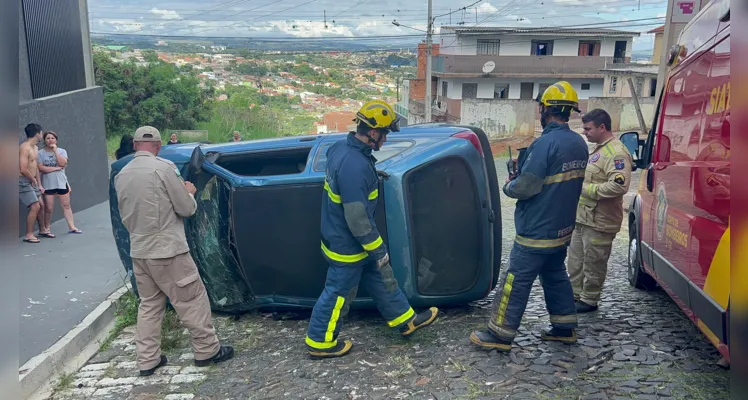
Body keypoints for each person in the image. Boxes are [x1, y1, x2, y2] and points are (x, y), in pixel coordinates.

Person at [305, 100, 438, 359]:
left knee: (380, 279)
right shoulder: (355, 166)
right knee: (338, 293)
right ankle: (320, 341)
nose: (386, 139)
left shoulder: (341, 148)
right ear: (374, 132)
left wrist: (374, 175)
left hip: (342, 238)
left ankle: (405, 320)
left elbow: (351, 180)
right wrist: (377, 249)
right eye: (385, 133)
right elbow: (356, 217)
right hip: (348, 245)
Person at [470, 81, 589, 351]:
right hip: (562, 228)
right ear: (570, 111)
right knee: (555, 273)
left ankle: (500, 334)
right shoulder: (578, 143)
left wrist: (509, 184)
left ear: (545, 109)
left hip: (537, 229)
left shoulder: (545, 143)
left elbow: (527, 187)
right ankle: (564, 327)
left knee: (516, 278)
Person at [115, 126, 233, 376]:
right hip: (168, 250)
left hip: (140, 250)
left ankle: (147, 360)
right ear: (158, 146)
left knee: (149, 305)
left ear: (135, 145)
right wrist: (190, 192)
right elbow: (186, 209)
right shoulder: (164, 168)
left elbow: (124, 214)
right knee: (191, 299)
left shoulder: (122, 174)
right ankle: (207, 350)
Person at [567, 109, 632, 313]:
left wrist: (585, 190)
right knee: (575, 261)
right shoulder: (598, 150)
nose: (584, 132)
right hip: (583, 218)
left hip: (600, 221)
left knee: (594, 262)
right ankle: (574, 296)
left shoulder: (616, 153)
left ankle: (589, 299)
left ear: (602, 127)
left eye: (588, 128)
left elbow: (619, 186)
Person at [38, 131, 82, 235]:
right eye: (48, 138)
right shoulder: (40, 153)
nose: (50, 140)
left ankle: (72, 227)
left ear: (56, 140)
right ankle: (47, 228)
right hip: (48, 184)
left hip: (61, 182)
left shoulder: (62, 151)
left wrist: (55, 151)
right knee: (49, 207)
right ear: (44, 140)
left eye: (52, 138)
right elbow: (41, 168)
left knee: (66, 205)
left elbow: (63, 163)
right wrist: (56, 168)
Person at [19, 123, 45, 243]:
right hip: (24, 180)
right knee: (35, 206)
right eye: (41, 133)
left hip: (32, 180)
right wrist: (32, 179)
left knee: (41, 205)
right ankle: (29, 234)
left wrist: (38, 183)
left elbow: (35, 167)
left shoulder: (35, 148)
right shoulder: (25, 148)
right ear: (37, 134)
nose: (42, 135)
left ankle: (43, 230)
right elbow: (23, 169)